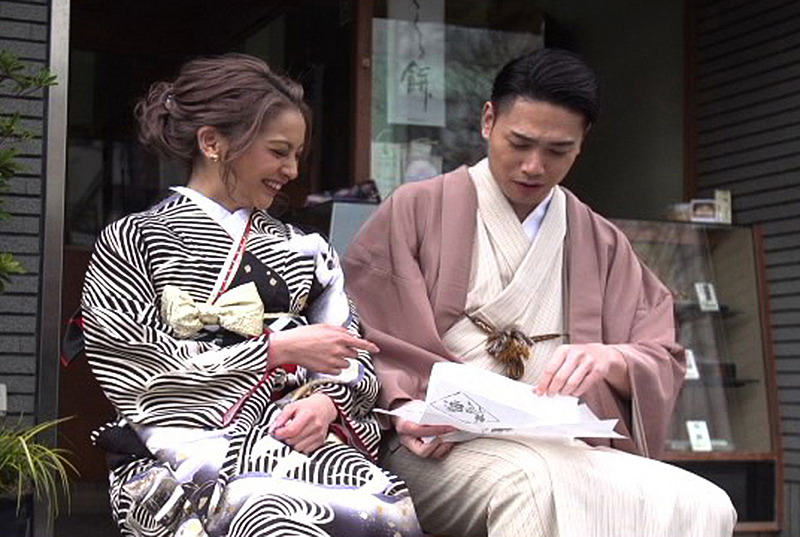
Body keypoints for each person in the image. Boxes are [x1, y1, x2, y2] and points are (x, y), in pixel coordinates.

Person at [344, 48, 737, 537]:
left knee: (704, 502)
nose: (534, 166)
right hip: (438, 443)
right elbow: (359, 332)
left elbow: (660, 354)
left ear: (582, 143)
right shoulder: (416, 209)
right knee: (531, 486)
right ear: (488, 120)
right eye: (520, 143)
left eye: (557, 150)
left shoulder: (601, 240)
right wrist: (404, 407)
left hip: (563, 442)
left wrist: (612, 359)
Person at [80, 54, 423, 537]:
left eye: (297, 154)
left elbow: (350, 348)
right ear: (212, 143)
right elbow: (131, 371)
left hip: (294, 433)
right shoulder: (133, 238)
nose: (292, 169)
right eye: (279, 151)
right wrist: (274, 350)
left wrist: (327, 404)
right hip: (175, 446)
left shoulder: (305, 248)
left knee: (386, 511)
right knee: (269, 512)